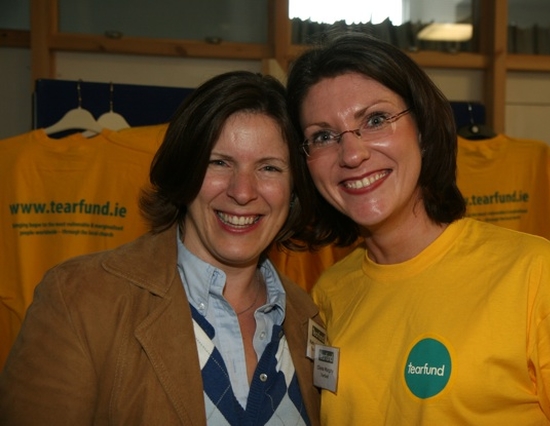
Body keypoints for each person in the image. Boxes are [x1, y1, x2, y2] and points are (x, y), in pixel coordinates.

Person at [286, 32, 550, 425]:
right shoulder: (329, 294)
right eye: (322, 136)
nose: (352, 153)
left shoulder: (534, 275)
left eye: (375, 119)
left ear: (421, 129)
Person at [0, 71, 322, 425]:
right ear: (184, 170)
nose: (242, 191)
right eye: (219, 162)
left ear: (293, 188)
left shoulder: (309, 317)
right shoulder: (78, 301)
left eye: (269, 167)